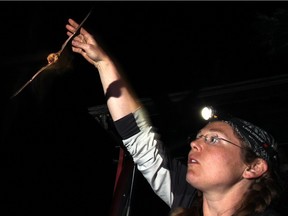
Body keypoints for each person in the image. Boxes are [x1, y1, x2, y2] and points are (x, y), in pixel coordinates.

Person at [65, 18, 284, 215]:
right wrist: (104, 64)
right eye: (199, 137)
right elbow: (138, 137)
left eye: (213, 139)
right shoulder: (185, 199)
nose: (196, 143)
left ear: (253, 167)